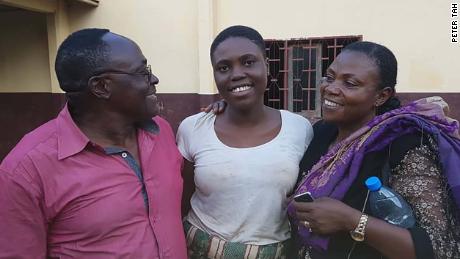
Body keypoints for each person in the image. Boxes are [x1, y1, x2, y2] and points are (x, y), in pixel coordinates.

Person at [0, 28, 187, 258]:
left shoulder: (162, 132)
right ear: (101, 87)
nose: (154, 79)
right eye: (142, 72)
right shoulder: (27, 170)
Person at [289, 41, 460, 259]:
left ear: (381, 96)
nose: (331, 88)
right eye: (329, 77)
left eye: (350, 83)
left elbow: (436, 248)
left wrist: (351, 220)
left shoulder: (405, 144)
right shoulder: (321, 132)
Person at [176, 25, 313, 258]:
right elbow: (182, 194)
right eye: (223, 67)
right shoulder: (193, 127)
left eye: (248, 62)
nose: (236, 73)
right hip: (199, 249)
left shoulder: (299, 129)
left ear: (266, 66)